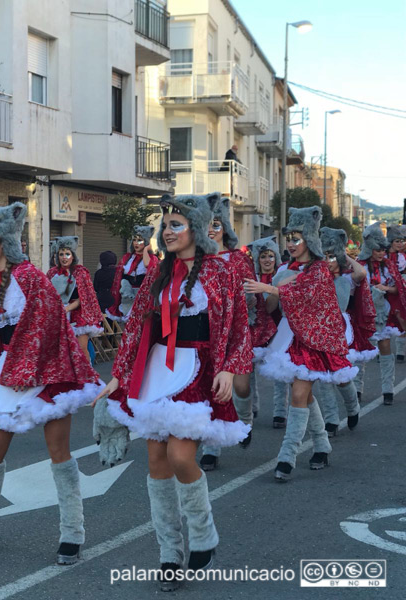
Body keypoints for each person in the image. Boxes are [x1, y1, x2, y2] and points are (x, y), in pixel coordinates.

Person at [95, 193, 251, 589]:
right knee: (156, 463)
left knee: (182, 456)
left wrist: (231, 369)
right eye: (165, 226)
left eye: (176, 225)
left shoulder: (221, 271)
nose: (167, 232)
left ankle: (203, 535)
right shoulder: (158, 273)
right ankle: (169, 553)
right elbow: (136, 326)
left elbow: (238, 326)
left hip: (197, 370)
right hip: (156, 371)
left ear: (196, 229)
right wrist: (119, 375)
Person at [0, 203, 103, 566]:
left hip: (45, 373)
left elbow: (53, 332)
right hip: (6, 372)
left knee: (58, 452)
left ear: (5, 241)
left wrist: (30, 367)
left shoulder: (33, 279)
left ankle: (72, 532)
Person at [246, 207, 356, 482]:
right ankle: (322, 445)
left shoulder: (319, 269)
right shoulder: (288, 269)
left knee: (298, 395)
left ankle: (287, 456)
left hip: (314, 339)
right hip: (291, 338)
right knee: (303, 395)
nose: (291, 244)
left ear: (309, 238)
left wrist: (272, 288)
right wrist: (262, 294)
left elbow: (305, 293)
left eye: (297, 238)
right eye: (289, 238)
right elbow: (275, 305)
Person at [199, 198, 256, 471]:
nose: (211, 230)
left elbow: (250, 294)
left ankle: (245, 420)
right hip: (206, 336)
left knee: (241, 387)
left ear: (225, 229)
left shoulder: (238, 259)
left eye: (216, 225)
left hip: (236, 331)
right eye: (207, 225)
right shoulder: (196, 260)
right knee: (214, 389)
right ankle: (211, 448)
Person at [313, 227, 371, 437]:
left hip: (342, 331)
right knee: (324, 377)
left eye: (331, 257)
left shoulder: (347, 279)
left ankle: (353, 406)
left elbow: (361, 273)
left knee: (341, 377)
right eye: (324, 256)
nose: (328, 261)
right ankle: (331, 421)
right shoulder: (316, 279)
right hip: (320, 331)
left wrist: (342, 252)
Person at [353, 222, 406, 406]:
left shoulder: (389, 266)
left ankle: (388, 390)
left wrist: (385, 288)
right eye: (378, 249)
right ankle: (357, 390)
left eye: (383, 249)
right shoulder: (359, 266)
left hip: (383, 312)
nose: (382, 253)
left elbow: (398, 289)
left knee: (385, 348)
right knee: (362, 351)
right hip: (363, 314)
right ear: (370, 249)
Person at [246, 236, 289, 428]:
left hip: (278, 327)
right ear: (258, 258)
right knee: (249, 370)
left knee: (280, 369)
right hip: (255, 328)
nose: (267, 260)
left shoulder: (280, 278)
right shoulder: (251, 279)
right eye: (263, 256)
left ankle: (280, 411)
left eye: (271, 256)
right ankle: (251, 407)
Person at [47, 236, 103, 355]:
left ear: (72, 256)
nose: (64, 257)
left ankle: (87, 372)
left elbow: (84, 297)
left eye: (67, 254)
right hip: (58, 314)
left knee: (81, 349)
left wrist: (67, 308)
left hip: (78, 315)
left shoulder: (80, 272)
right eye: (61, 254)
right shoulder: (52, 273)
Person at [107, 225, 159, 322]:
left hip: (142, 297)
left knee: (140, 325)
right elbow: (119, 277)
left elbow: (148, 265)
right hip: (127, 295)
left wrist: (145, 250)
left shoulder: (152, 258)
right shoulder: (127, 258)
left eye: (140, 240)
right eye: (135, 240)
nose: (136, 243)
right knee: (129, 324)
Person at [387, 225, 406, 361]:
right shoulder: (383, 254)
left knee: (401, 318)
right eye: (397, 241)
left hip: (400, 291)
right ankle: (381, 349)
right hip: (384, 291)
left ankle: (401, 351)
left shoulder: (402, 257)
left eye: (402, 240)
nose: (400, 243)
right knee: (383, 320)